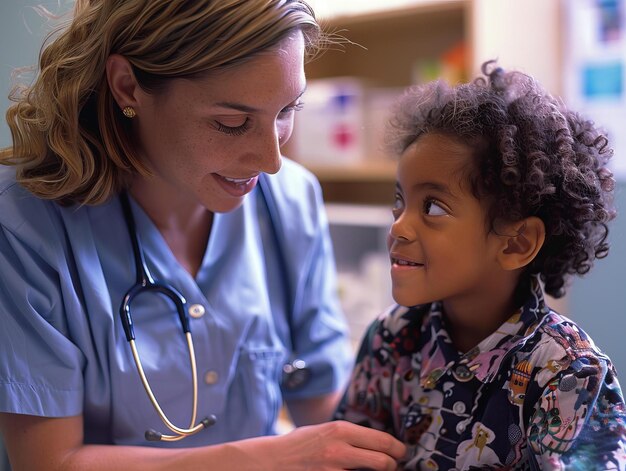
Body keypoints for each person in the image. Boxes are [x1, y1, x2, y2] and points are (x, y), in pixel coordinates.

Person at [0, 1, 407, 470]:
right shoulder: (25, 223)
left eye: (286, 111)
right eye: (232, 123)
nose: (270, 160)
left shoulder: (290, 199)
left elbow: (326, 408)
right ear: (127, 87)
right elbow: (50, 462)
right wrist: (264, 457)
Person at [335, 61, 626, 469]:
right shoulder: (392, 337)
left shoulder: (568, 373)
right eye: (400, 202)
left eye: (432, 207)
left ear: (517, 243)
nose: (398, 226)